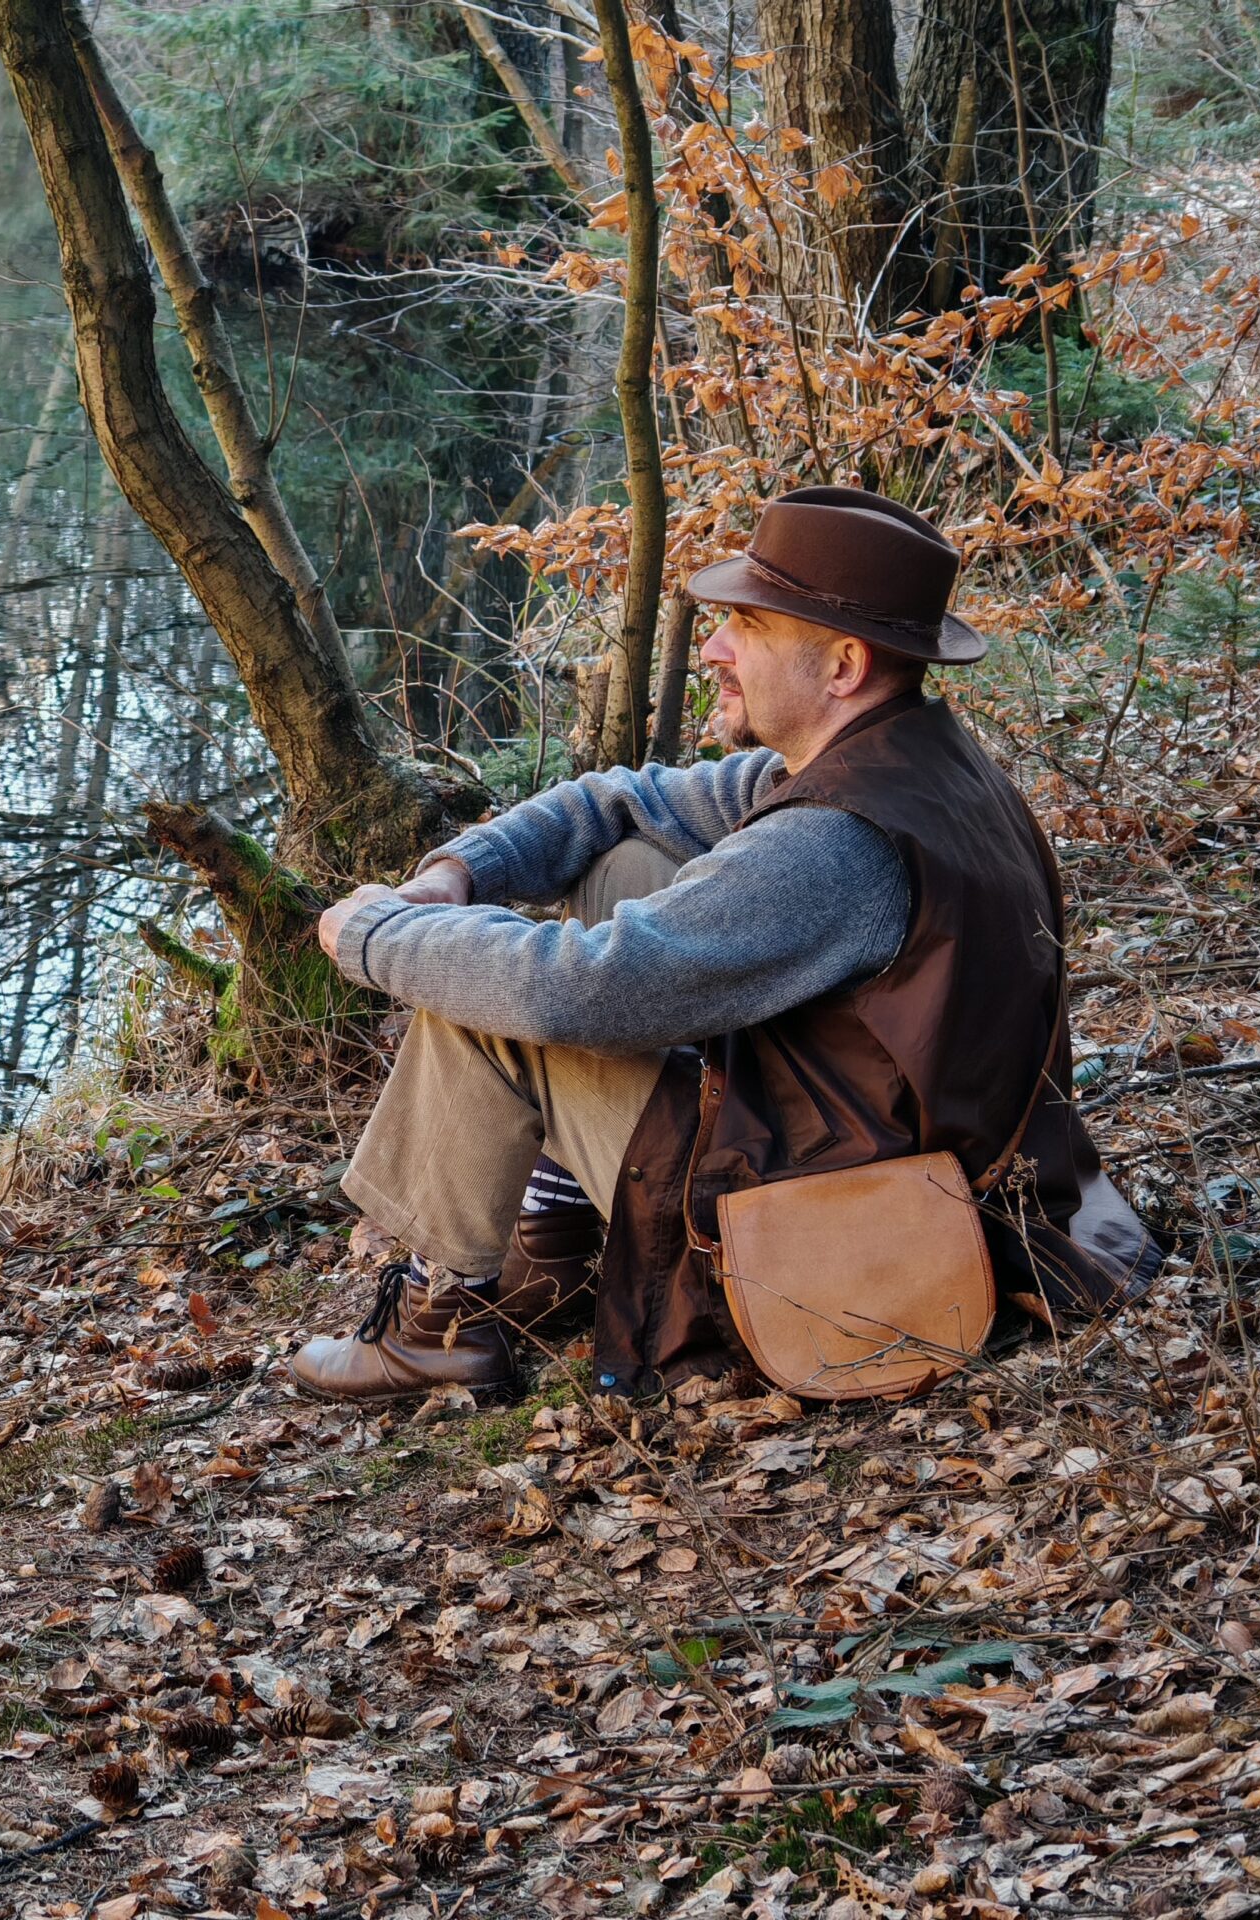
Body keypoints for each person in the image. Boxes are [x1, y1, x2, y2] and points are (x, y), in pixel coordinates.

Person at [291, 486, 1161, 1404]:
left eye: (746, 623)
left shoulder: (832, 844)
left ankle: (444, 1324)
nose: (712, 645)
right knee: (626, 861)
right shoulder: (905, 764)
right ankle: (556, 1237)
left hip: (838, 1241)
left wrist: (383, 934)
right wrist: (458, 871)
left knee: (483, 1001)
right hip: (892, 1163)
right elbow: (618, 799)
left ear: (843, 666)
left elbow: (572, 993)